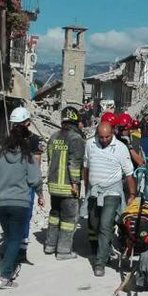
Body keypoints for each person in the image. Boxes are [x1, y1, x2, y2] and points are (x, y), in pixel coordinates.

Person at [0, 122, 42, 289]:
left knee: (9, 236)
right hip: (20, 203)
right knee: (15, 238)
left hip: (0, 204)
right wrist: (40, 195)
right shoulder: (27, 157)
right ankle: (5, 276)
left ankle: (8, 261)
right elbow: (34, 179)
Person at [85, 121, 136, 277]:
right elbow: (86, 167)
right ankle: (105, 252)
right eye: (101, 137)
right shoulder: (90, 144)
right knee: (94, 223)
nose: (104, 140)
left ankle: (100, 263)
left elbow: (129, 174)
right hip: (94, 192)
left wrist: (132, 195)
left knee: (105, 225)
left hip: (112, 192)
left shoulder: (120, 148)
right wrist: (86, 188)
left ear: (112, 133)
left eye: (107, 137)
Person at [45, 106, 86, 260]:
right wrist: (75, 183)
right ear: (76, 123)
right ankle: (63, 251)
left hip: (53, 185)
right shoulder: (76, 139)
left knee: (54, 215)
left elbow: (50, 160)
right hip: (68, 187)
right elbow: (74, 164)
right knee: (69, 220)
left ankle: (50, 245)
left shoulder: (54, 137)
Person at [9, 106, 44, 263]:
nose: (16, 128)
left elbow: (36, 167)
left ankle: (21, 249)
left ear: (27, 123)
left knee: (24, 217)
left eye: (18, 124)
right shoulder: (8, 140)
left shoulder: (34, 140)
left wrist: (39, 191)